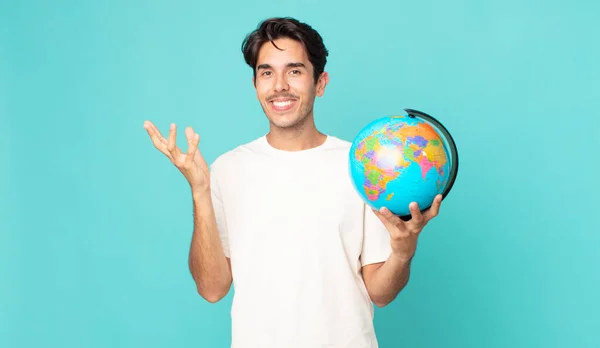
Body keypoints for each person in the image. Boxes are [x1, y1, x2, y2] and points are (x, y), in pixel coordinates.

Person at [143, 16, 442, 348]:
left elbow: (381, 293)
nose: (279, 85)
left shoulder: (360, 167)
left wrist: (402, 253)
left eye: (295, 70)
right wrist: (199, 191)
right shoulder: (228, 169)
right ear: (255, 85)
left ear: (321, 82)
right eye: (266, 72)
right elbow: (212, 289)